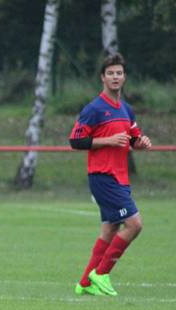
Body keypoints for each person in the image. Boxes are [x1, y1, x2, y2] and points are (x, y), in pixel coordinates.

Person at [70, 53, 152, 297]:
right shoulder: (94, 109)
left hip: (120, 177)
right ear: (102, 78)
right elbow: (75, 140)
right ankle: (102, 273)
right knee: (135, 225)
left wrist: (141, 143)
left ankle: (85, 283)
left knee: (109, 229)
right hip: (102, 176)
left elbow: (133, 139)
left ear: (124, 77)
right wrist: (108, 140)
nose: (115, 77)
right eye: (110, 73)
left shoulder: (127, 110)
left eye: (119, 73)